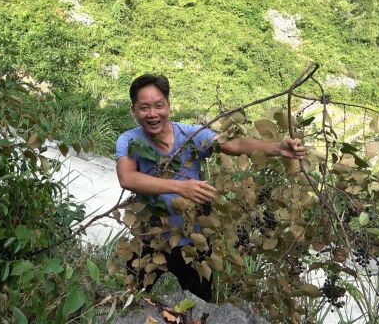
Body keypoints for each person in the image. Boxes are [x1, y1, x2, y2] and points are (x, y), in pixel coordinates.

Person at [115, 74, 306, 301]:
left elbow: (234, 144)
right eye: (144, 107)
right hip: (149, 239)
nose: (153, 114)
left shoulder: (191, 135)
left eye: (159, 105)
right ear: (133, 110)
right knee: (128, 301)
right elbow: (127, 177)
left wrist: (277, 147)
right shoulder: (129, 140)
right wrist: (180, 187)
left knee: (201, 308)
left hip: (193, 241)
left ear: (169, 106)